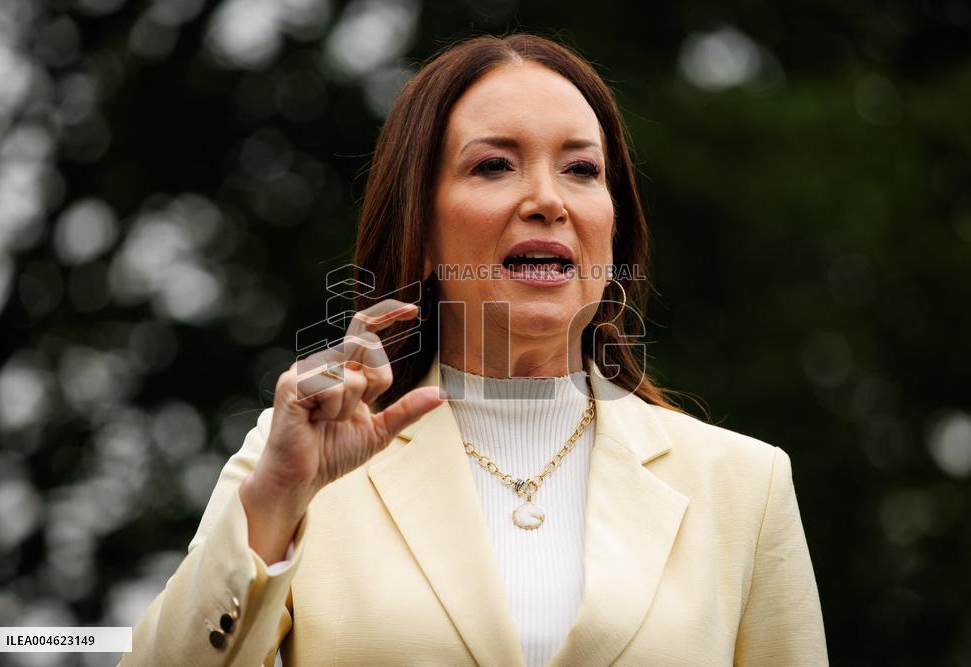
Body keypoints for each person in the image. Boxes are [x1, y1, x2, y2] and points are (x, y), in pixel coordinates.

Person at [120, 33, 828, 666]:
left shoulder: (745, 486)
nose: (547, 199)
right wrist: (276, 505)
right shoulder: (298, 462)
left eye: (582, 169)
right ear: (423, 227)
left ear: (614, 229)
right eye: (494, 165)